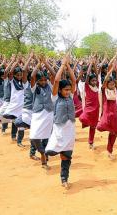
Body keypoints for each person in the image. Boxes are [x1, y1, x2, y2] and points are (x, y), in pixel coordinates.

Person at [45, 54, 77, 189]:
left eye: (70, 90)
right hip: (59, 129)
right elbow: (57, 80)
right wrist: (63, 65)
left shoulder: (71, 95)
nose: (68, 92)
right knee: (51, 151)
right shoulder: (55, 97)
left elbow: (74, 81)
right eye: (66, 90)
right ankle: (46, 153)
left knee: (67, 156)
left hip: (70, 129)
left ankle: (64, 178)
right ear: (60, 90)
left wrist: (69, 66)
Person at [29, 56, 56, 169]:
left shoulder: (50, 86)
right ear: (37, 81)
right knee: (34, 136)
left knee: (46, 137)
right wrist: (38, 64)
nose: (44, 81)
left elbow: (54, 74)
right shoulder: (34, 88)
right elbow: (32, 76)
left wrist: (45, 62)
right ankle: (42, 152)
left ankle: (44, 161)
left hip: (49, 114)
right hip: (37, 114)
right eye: (41, 80)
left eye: (45, 80)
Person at [97, 55, 117, 159]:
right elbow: (106, 79)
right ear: (107, 84)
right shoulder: (104, 90)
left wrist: (116, 69)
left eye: (113, 84)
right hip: (107, 112)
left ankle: (110, 150)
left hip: (114, 112)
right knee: (102, 126)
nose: (112, 85)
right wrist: (110, 70)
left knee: (114, 132)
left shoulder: (115, 89)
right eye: (110, 84)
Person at [79, 57, 100, 149]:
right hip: (88, 108)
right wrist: (90, 64)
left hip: (96, 109)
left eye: (95, 80)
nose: (94, 82)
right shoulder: (87, 86)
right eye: (92, 81)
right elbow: (87, 75)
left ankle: (91, 142)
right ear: (89, 81)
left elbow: (96, 73)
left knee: (93, 127)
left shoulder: (97, 86)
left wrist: (94, 64)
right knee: (83, 118)